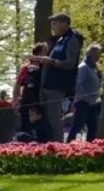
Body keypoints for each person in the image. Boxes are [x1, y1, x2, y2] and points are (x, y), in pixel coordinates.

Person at [34, 12, 83, 141]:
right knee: (46, 118)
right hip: (47, 83)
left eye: (55, 23)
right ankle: (48, 144)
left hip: (57, 85)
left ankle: (59, 147)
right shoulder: (59, 39)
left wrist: (51, 61)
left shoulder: (72, 39)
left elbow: (70, 63)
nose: (52, 26)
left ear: (64, 24)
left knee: (54, 119)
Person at [68, 44, 103, 141]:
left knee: (93, 127)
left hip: (94, 103)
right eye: (97, 54)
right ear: (91, 54)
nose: (98, 56)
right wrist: (87, 98)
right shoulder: (83, 67)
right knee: (77, 126)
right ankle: (67, 146)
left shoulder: (94, 68)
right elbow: (78, 85)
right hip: (83, 102)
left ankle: (90, 148)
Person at [18, 44, 48, 133]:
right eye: (45, 51)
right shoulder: (26, 67)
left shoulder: (46, 66)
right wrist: (17, 98)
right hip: (28, 98)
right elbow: (18, 83)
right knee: (26, 122)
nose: (48, 53)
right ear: (39, 53)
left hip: (41, 99)